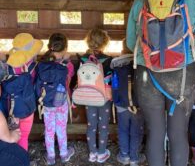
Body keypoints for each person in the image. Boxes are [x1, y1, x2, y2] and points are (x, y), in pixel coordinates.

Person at [126, 0, 195, 166]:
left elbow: (130, 41)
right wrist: (190, 60)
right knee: (179, 134)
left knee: (155, 133)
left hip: (147, 73)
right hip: (182, 74)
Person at [37, 33, 75, 165]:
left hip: (47, 99)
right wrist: (65, 60)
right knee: (61, 128)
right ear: (65, 48)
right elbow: (69, 78)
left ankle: (51, 157)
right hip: (61, 99)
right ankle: (64, 154)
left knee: (49, 129)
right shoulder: (67, 65)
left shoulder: (43, 64)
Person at [2, 33, 43, 151]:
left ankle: (11, 157)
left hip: (9, 108)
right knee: (23, 136)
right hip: (27, 107)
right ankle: (21, 159)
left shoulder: (6, 67)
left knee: (11, 135)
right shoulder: (34, 67)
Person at [110, 40, 145, 166]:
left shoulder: (116, 64)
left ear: (122, 50)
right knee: (136, 131)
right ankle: (135, 158)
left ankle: (124, 156)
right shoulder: (141, 63)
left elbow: (114, 85)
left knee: (123, 129)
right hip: (138, 104)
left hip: (121, 103)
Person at [83, 26, 113, 163]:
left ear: (88, 41)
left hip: (89, 97)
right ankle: (101, 153)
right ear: (105, 42)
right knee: (103, 126)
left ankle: (92, 153)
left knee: (91, 125)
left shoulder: (84, 58)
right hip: (104, 97)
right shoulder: (109, 60)